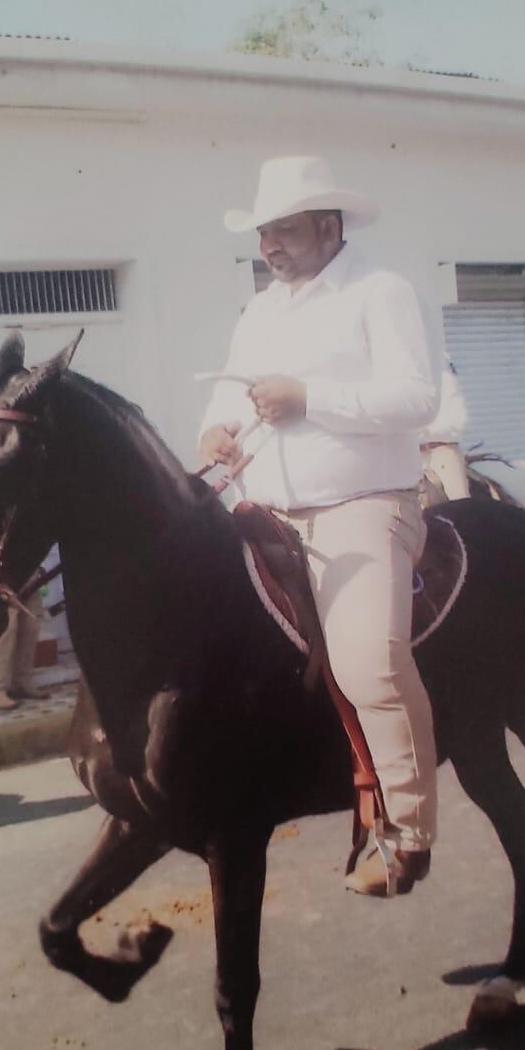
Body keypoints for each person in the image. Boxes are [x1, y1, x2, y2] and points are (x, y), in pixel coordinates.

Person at [199, 155, 441, 898]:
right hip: (265, 508)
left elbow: (416, 397)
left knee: (368, 660)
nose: (270, 245)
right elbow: (231, 396)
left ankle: (409, 830)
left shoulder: (381, 290)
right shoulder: (263, 309)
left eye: (285, 230)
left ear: (329, 227)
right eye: (263, 232)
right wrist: (215, 432)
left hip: (362, 505)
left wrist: (310, 398)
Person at [0, 589, 49, 710]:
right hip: (3, 583)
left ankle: (22, 682)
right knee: (5, 633)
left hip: (30, 582)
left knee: (31, 628)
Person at [419, 361, 470, 504]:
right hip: (409, 455)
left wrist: (423, 431)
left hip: (442, 452)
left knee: (459, 502)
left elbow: (459, 419)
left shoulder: (444, 375)